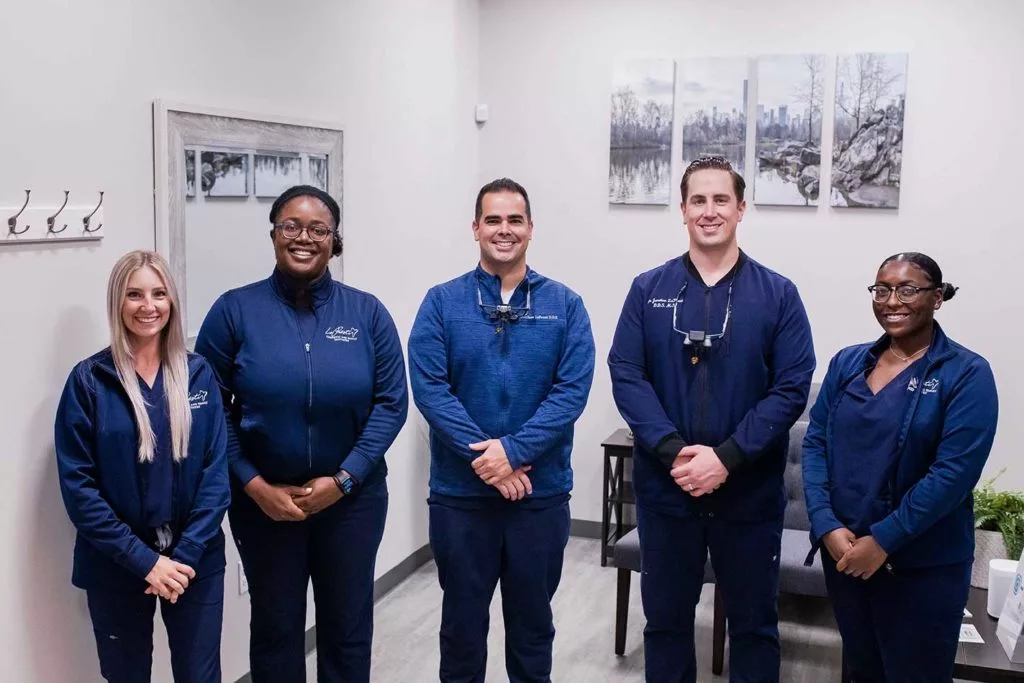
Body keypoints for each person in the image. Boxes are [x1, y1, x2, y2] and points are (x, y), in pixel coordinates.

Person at [608, 156, 815, 683]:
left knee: (753, 627)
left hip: (746, 494)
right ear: (682, 210)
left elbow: (791, 387)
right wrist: (674, 451)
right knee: (666, 624)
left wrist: (726, 458)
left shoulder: (778, 295)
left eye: (720, 199)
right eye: (697, 200)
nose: (709, 211)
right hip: (668, 491)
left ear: (741, 208)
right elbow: (627, 373)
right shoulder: (646, 288)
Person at [194, 185, 409, 683]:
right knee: (275, 627)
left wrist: (346, 479)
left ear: (335, 241)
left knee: (348, 626)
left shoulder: (367, 313)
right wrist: (251, 483)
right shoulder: (233, 312)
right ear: (273, 234)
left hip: (352, 504)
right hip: (265, 505)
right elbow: (207, 409)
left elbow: (392, 403)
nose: (303, 238)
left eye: (318, 229)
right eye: (291, 226)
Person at [408, 177, 595, 683]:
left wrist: (512, 451)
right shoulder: (441, 303)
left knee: (533, 630)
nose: (504, 230)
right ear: (475, 228)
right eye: (493, 219)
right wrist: (487, 462)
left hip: (539, 496)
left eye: (515, 220)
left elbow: (570, 393)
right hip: (460, 500)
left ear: (531, 229)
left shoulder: (566, 305)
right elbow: (430, 390)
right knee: (462, 632)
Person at [802, 252, 998, 681]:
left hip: (920, 568)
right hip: (846, 556)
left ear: (938, 297)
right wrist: (826, 525)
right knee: (862, 670)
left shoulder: (966, 374)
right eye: (882, 289)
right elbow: (816, 444)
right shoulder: (848, 363)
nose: (892, 301)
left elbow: (953, 474)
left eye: (908, 289)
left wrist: (884, 540)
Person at [55, 250, 230, 683]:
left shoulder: (198, 374)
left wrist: (183, 556)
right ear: (117, 302)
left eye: (158, 293)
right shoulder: (88, 382)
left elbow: (215, 472)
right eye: (134, 294)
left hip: (195, 560)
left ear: (172, 300)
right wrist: (147, 562)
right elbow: (80, 489)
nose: (147, 306)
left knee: (199, 675)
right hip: (117, 561)